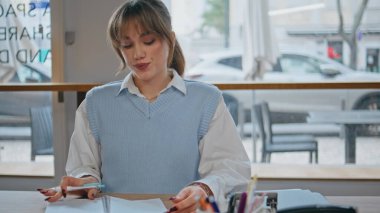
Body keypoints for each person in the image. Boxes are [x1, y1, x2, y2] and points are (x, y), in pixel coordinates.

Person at [38, 0, 251, 212]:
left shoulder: (206, 99)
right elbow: (83, 166)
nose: (137, 53)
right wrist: (85, 181)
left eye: (148, 41)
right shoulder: (95, 102)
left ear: (171, 40)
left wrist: (203, 188)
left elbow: (231, 168)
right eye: (127, 45)